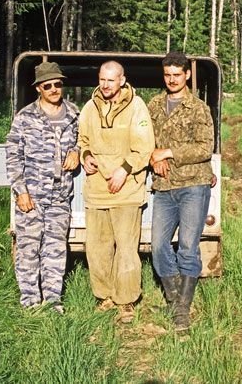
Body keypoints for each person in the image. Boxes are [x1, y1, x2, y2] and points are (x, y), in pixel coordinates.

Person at [78, 61, 155, 324]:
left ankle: (126, 300)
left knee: (125, 248)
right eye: (102, 79)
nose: (105, 85)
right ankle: (104, 296)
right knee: (97, 248)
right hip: (97, 189)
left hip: (126, 190)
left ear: (122, 80)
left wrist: (124, 170)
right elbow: (83, 140)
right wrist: (85, 155)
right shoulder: (89, 108)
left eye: (111, 80)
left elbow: (144, 147)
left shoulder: (137, 107)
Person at [6, 61, 80, 314]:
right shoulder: (25, 117)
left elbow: (85, 141)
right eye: (47, 85)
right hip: (32, 195)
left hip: (60, 195)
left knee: (55, 249)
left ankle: (52, 300)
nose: (54, 89)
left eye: (57, 84)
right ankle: (29, 301)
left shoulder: (74, 114)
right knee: (28, 249)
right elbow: (13, 156)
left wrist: (78, 152)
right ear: (39, 88)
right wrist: (21, 191)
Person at [148, 51, 215, 332]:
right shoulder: (153, 106)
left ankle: (181, 309)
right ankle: (174, 297)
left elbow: (204, 147)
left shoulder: (198, 108)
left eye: (177, 74)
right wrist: (153, 156)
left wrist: (169, 152)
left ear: (187, 75)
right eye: (167, 75)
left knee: (188, 247)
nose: (172, 80)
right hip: (164, 187)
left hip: (193, 186)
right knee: (158, 246)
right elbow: (142, 138)